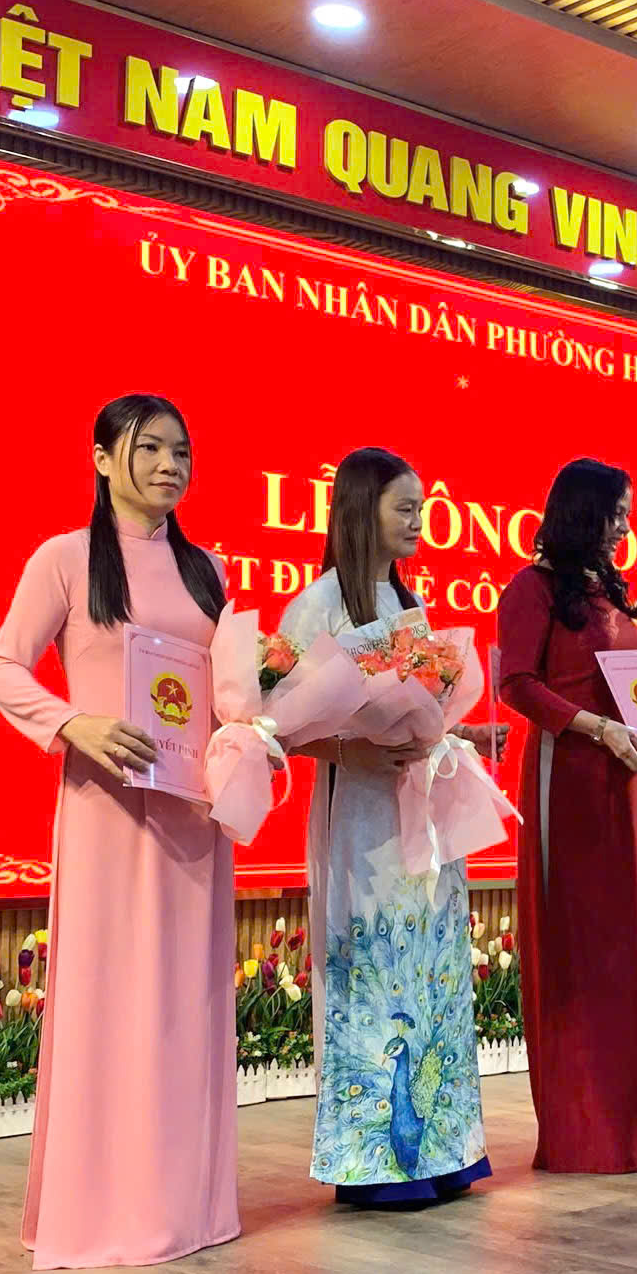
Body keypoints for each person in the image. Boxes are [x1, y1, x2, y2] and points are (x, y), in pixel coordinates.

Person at [0, 394, 237, 1269]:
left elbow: (225, 692)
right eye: (150, 448)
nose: (170, 465)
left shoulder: (207, 570)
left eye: (181, 451)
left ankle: (187, 1206)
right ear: (101, 458)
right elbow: (1, 666)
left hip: (193, 815)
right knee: (110, 1000)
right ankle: (101, 1210)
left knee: (186, 1006)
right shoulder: (64, 559)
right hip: (106, 811)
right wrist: (71, 723)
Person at [279, 447, 495, 1206]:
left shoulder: (408, 604)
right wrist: (355, 748)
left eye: (421, 508)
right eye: (405, 507)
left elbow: (422, 710)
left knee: (429, 971)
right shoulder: (316, 607)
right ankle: (373, 1164)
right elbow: (283, 727)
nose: (417, 521)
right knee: (370, 966)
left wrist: (459, 734)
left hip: (420, 816)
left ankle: (443, 1150)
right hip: (361, 820)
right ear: (360, 507)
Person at [496, 457, 637, 1174]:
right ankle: (589, 1132)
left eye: (628, 514)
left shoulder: (606, 590)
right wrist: (595, 727)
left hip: (628, 776)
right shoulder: (532, 588)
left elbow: (632, 691)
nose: (624, 527)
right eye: (616, 513)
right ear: (582, 511)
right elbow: (517, 684)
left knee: (634, 945)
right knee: (583, 947)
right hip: (572, 779)